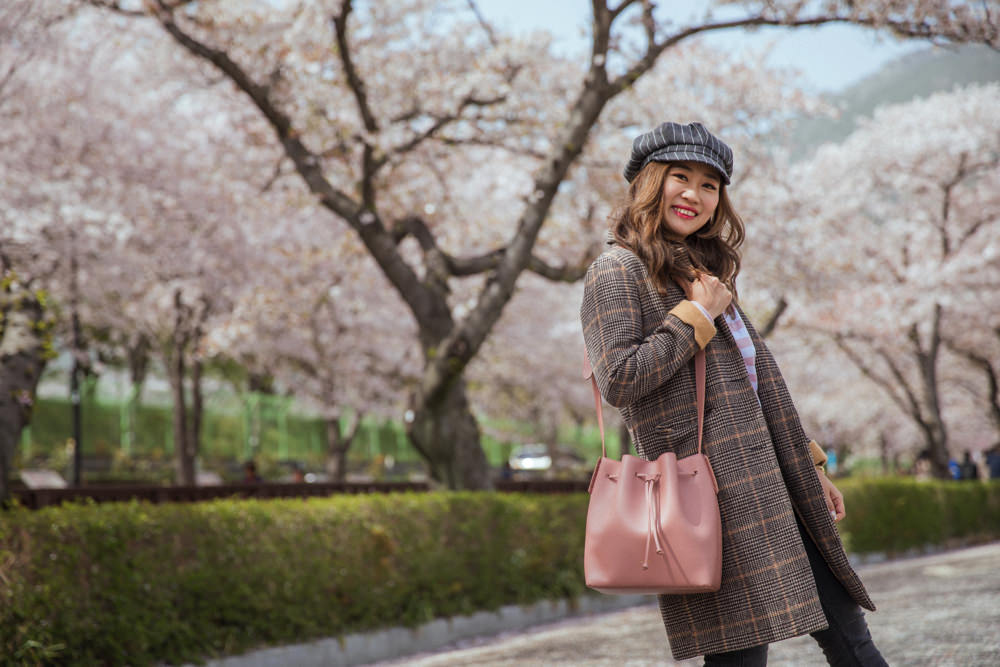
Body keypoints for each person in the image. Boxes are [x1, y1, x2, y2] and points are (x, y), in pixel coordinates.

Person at [581, 122, 886, 666]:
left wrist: (810, 462)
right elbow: (620, 379)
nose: (694, 195)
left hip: (774, 485)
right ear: (650, 183)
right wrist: (693, 318)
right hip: (711, 498)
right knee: (740, 657)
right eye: (680, 177)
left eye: (710, 185)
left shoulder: (705, 273)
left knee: (849, 637)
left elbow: (752, 386)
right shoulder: (617, 271)